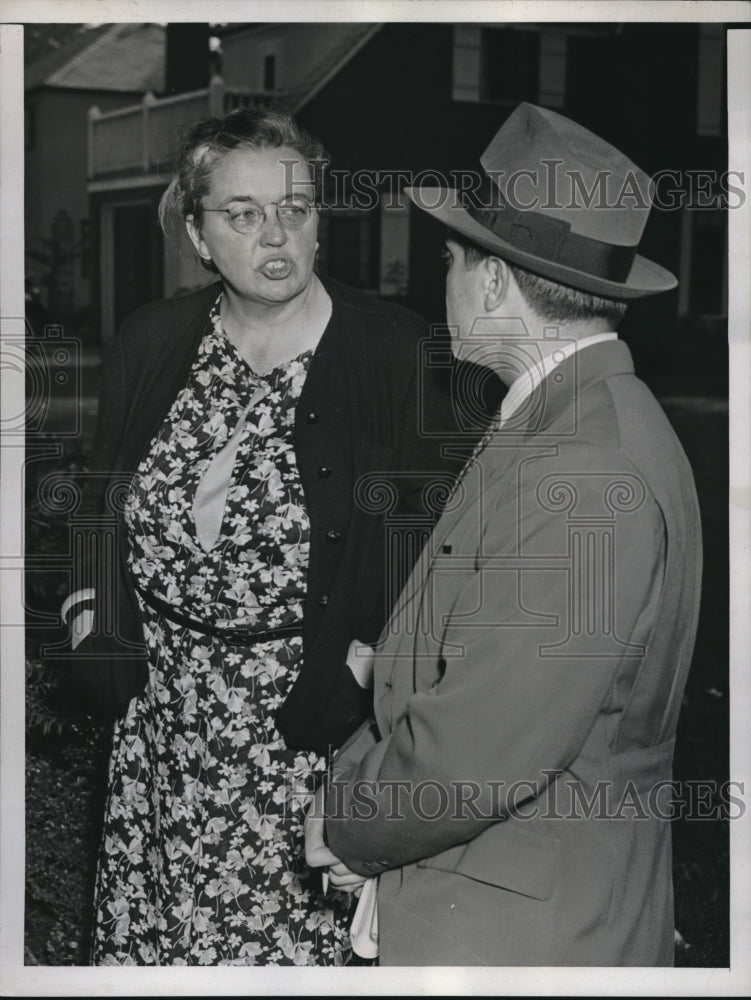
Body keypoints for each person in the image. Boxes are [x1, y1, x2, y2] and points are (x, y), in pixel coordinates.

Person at [60, 106, 462, 965]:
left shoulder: (395, 354)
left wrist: (368, 695)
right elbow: (99, 503)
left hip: (303, 737)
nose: (275, 235)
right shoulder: (153, 339)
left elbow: (429, 557)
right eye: (242, 214)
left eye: (296, 208)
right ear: (199, 235)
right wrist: (90, 622)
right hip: (159, 725)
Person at [306, 102, 703, 966]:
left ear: (491, 282)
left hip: (522, 934)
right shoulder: (568, 423)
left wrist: (345, 821)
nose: (441, 281)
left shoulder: (585, 470)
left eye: (450, 259)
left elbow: (474, 753)